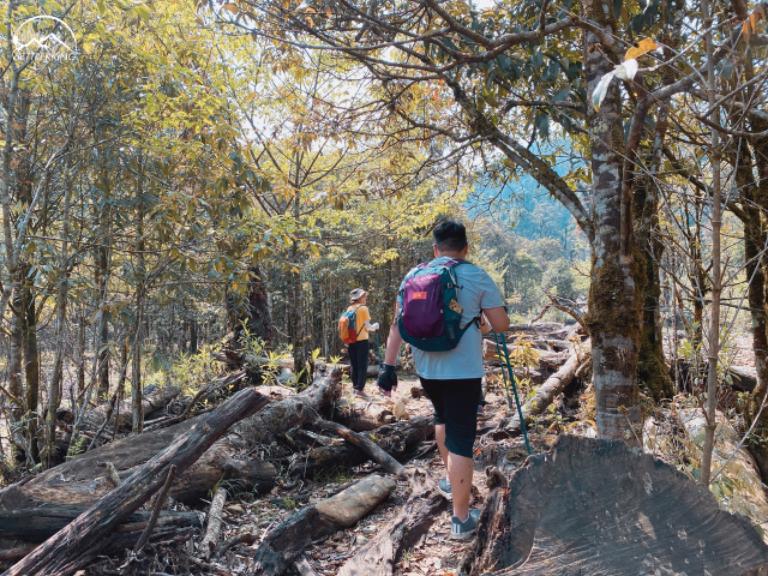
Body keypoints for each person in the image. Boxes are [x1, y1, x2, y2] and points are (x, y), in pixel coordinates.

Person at [377, 219, 509, 539]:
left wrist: (388, 367)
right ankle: (461, 520)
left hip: (427, 370)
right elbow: (501, 324)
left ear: (435, 248)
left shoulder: (414, 275)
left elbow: (397, 326)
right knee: (462, 439)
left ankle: (451, 481)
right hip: (463, 372)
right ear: (465, 248)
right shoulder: (475, 274)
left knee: (441, 418)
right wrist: (483, 325)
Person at [346, 288, 380, 398]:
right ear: (359, 298)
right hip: (362, 341)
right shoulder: (363, 309)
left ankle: (355, 387)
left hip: (351, 341)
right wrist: (375, 326)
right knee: (362, 366)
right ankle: (360, 389)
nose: (365, 298)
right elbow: (368, 327)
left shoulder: (349, 308)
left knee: (354, 365)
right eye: (364, 296)